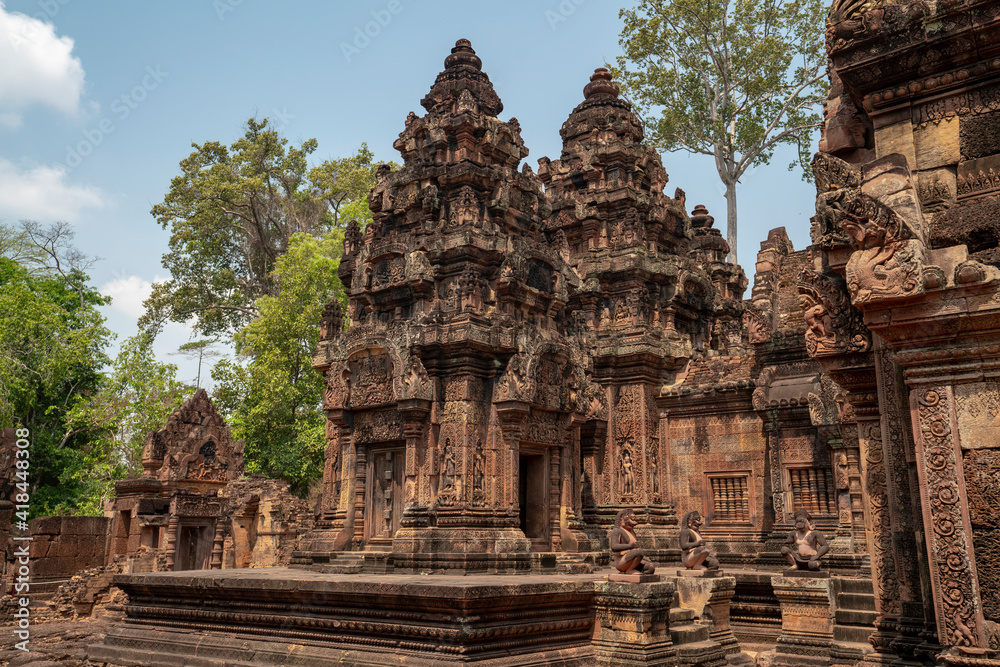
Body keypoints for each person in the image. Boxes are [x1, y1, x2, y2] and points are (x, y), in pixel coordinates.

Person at [610, 509, 655, 574]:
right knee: (639, 552)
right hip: (621, 561)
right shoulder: (617, 531)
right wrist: (630, 546)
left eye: (634, 520)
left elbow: (636, 550)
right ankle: (629, 570)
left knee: (650, 568)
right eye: (631, 520)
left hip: (633, 560)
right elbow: (614, 546)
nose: (633, 524)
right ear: (622, 519)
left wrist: (643, 557)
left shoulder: (632, 532)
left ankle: (629, 571)